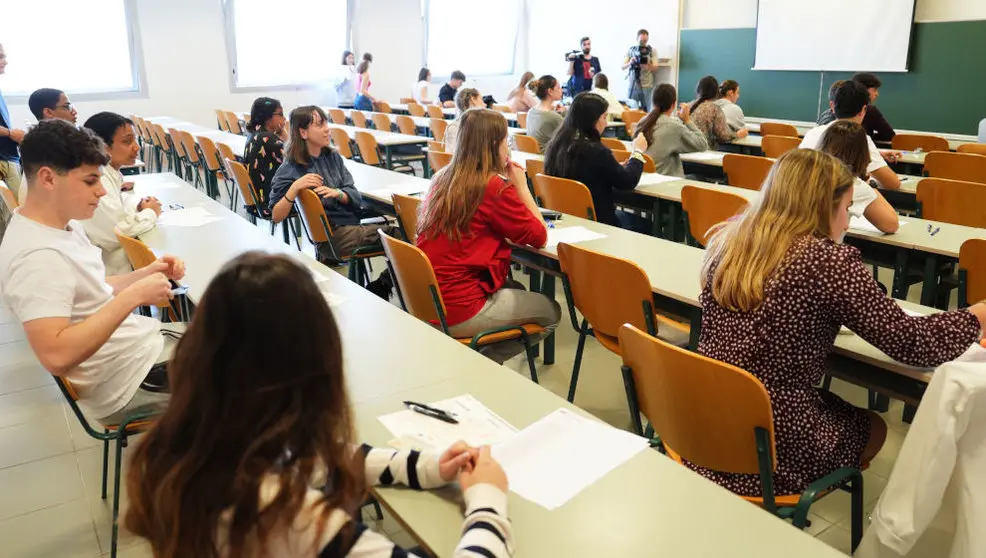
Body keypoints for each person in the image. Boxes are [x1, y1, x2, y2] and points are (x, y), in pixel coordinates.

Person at [124, 252, 514, 558]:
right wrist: (487, 500)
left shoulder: (189, 449)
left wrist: (427, 467)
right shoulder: (293, 518)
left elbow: (317, 460)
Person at [696, 148, 986, 498]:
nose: (848, 223)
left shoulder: (728, 240)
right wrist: (978, 314)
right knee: (875, 427)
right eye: (847, 209)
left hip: (706, 423)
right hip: (774, 445)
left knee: (826, 404)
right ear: (822, 206)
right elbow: (913, 344)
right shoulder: (825, 262)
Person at [0, 120, 188, 425]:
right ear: (48, 178)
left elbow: (88, 290)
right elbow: (56, 356)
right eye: (90, 181)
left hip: (139, 351)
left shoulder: (61, 224)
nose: (101, 192)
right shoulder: (37, 257)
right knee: (253, 374)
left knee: (239, 339)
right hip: (127, 382)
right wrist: (132, 298)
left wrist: (144, 274)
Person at [417, 109, 561, 363]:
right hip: (460, 307)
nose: (509, 148)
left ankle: (476, 360)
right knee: (551, 312)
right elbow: (540, 236)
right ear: (494, 145)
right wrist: (521, 186)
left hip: (427, 299)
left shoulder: (441, 177)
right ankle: (482, 364)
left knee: (516, 288)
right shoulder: (493, 186)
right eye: (507, 141)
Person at [269, 106, 397, 265]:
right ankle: (385, 280)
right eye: (319, 125)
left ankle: (384, 280)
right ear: (303, 133)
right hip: (335, 236)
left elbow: (355, 196)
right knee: (401, 236)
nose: (327, 129)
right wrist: (294, 188)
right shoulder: (290, 168)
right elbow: (276, 216)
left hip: (349, 227)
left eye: (326, 123)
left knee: (403, 234)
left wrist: (339, 193)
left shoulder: (333, 157)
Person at [544, 92, 648, 228]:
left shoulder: (557, 145)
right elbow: (628, 181)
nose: (606, 122)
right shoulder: (596, 151)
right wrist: (638, 152)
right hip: (598, 223)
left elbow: (587, 171)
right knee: (648, 226)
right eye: (604, 117)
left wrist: (612, 167)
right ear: (592, 119)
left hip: (566, 219)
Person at [81, 112, 161, 275]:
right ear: (103, 146)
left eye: (135, 140)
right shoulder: (99, 180)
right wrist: (150, 212)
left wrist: (138, 209)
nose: (137, 147)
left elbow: (116, 215)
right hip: (111, 271)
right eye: (127, 141)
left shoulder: (110, 173)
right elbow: (117, 232)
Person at [800, 80, 901, 190]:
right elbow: (893, 184)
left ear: (832, 106)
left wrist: (878, 153)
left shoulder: (813, 132)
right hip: (836, 196)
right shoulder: (860, 138)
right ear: (863, 109)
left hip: (807, 192)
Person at [818, 120, 900, 234]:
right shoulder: (853, 185)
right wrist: (870, 187)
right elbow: (891, 225)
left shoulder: (809, 175)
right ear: (863, 153)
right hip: (827, 245)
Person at [636, 84, 709, 177]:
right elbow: (703, 144)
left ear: (653, 102)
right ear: (674, 105)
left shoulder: (642, 122)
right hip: (666, 180)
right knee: (698, 177)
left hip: (643, 178)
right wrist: (687, 120)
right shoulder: (674, 127)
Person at [243, 97, 287, 204]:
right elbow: (293, 161)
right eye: (280, 114)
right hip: (271, 201)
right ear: (267, 117)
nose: (284, 118)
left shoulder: (253, 134)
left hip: (256, 198)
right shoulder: (268, 138)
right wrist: (286, 138)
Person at [0, 43, 26, 209]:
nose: (5, 61)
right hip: (3, 160)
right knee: (18, 213)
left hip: (8, 157)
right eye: (1, 57)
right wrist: (11, 133)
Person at [690, 75, 749, 147]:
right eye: (738, 92)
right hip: (702, 149)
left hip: (687, 148)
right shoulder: (714, 108)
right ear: (716, 92)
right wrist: (737, 135)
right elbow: (723, 136)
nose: (738, 96)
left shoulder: (690, 105)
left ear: (698, 90)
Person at [525, 75, 565, 152]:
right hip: (548, 156)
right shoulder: (553, 117)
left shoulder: (531, 111)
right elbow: (571, 135)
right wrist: (565, 113)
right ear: (550, 91)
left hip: (533, 155)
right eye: (559, 87)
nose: (561, 90)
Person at [853, 72, 895, 143]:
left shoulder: (838, 107)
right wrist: (870, 137)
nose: (877, 94)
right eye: (874, 90)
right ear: (864, 90)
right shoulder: (870, 110)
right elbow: (890, 135)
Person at [623, 29, 659, 111]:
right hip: (633, 85)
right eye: (641, 41)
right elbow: (622, 66)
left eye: (645, 41)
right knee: (630, 111)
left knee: (646, 111)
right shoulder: (631, 50)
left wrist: (647, 65)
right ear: (637, 39)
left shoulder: (651, 51)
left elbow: (656, 67)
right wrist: (630, 62)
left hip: (646, 85)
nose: (643, 43)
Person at [444, 87, 484, 154]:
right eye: (481, 99)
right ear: (473, 100)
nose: (484, 104)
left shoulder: (452, 127)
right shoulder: (480, 126)